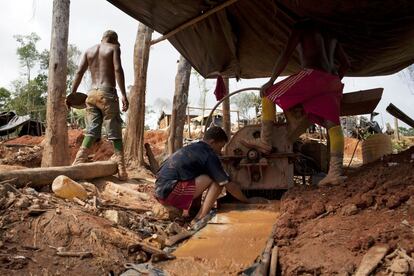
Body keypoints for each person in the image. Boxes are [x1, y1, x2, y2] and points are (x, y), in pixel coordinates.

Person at [242, 19, 351, 186]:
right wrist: (331, 81)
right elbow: (346, 64)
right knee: (333, 126)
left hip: (312, 75)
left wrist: (271, 81)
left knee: (268, 95)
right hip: (332, 81)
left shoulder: (303, 26)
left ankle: (265, 142)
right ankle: (335, 173)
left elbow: (285, 55)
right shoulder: (331, 33)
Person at [154, 126, 250, 221]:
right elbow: (228, 185)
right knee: (217, 180)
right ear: (212, 142)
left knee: (201, 175)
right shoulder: (209, 154)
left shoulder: (194, 148)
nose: (220, 151)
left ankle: (194, 212)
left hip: (160, 191)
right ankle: (199, 218)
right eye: (220, 147)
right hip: (170, 193)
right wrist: (247, 201)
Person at [70, 30, 129, 180]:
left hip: (90, 95)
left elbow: (79, 72)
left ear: (102, 38)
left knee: (92, 130)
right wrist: (123, 94)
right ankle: (121, 169)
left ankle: (78, 162)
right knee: (114, 128)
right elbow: (117, 69)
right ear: (114, 40)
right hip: (107, 93)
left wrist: (72, 94)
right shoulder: (113, 48)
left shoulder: (89, 50)